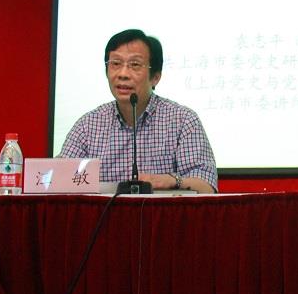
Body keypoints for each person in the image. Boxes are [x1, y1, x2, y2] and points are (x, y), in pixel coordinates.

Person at [58, 28, 218, 193]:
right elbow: (58, 180)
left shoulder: (183, 121)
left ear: (155, 77)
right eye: (115, 64)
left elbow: (207, 187)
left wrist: (172, 181)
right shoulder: (88, 125)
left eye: (134, 65)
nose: (123, 74)